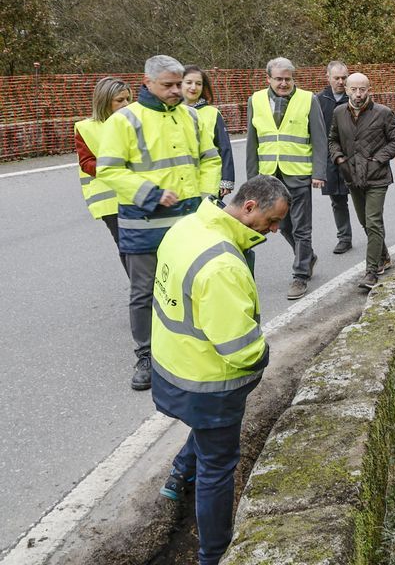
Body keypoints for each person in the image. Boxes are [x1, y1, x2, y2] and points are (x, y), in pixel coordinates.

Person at [151, 175, 289, 565]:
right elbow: (242, 349)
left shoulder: (188, 226)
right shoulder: (222, 265)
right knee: (219, 467)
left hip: (172, 368)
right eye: (272, 220)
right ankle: (213, 554)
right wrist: (262, 355)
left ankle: (179, 473)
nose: (275, 231)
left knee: (204, 433)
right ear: (249, 207)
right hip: (208, 386)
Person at [97, 55, 221, 390]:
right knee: (144, 292)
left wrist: (208, 198)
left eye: (179, 84)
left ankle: (192, 348)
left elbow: (210, 159)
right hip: (144, 222)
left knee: (191, 287)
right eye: (168, 85)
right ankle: (146, 357)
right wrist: (150, 193)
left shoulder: (191, 117)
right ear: (148, 82)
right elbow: (108, 169)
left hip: (189, 221)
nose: (177, 90)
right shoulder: (124, 120)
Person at [245, 56, 328, 301]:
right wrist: (253, 179)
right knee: (280, 225)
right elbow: (252, 141)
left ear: (293, 79)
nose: (283, 84)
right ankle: (307, 256)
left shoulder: (308, 99)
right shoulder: (256, 100)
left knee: (302, 227)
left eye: (288, 79)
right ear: (268, 78)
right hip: (269, 175)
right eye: (279, 79)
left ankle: (300, 274)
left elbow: (319, 138)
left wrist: (318, 173)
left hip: (298, 173)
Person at [328, 73, 395, 290]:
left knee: (372, 221)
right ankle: (385, 257)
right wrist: (339, 158)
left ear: (369, 89)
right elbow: (332, 139)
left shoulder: (383, 113)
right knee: (365, 222)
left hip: (377, 177)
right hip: (352, 176)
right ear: (347, 90)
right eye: (354, 89)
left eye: (362, 89)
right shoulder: (339, 112)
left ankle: (371, 270)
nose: (358, 94)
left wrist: (378, 159)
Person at [74, 76, 132, 267]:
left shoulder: (136, 122)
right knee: (127, 247)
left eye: (128, 99)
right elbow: (86, 162)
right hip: (111, 202)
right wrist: (113, 169)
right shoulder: (86, 128)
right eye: (119, 100)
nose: (125, 104)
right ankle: (141, 292)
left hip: (139, 194)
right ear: (105, 101)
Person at [180, 66, 235, 200]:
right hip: (180, 182)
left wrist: (226, 179)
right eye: (189, 82)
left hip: (208, 183)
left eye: (198, 84)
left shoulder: (213, 113)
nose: (193, 87)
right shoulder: (170, 113)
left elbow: (224, 148)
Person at [317, 61, 354, 255]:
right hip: (330, 160)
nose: (341, 81)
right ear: (328, 78)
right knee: (337, 200)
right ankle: (344, 238)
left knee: (361, 197)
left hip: (353, 157)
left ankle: (374, 235)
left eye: (344, 77)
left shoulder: (355, 96)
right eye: (336, 78)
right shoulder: (318, 100)